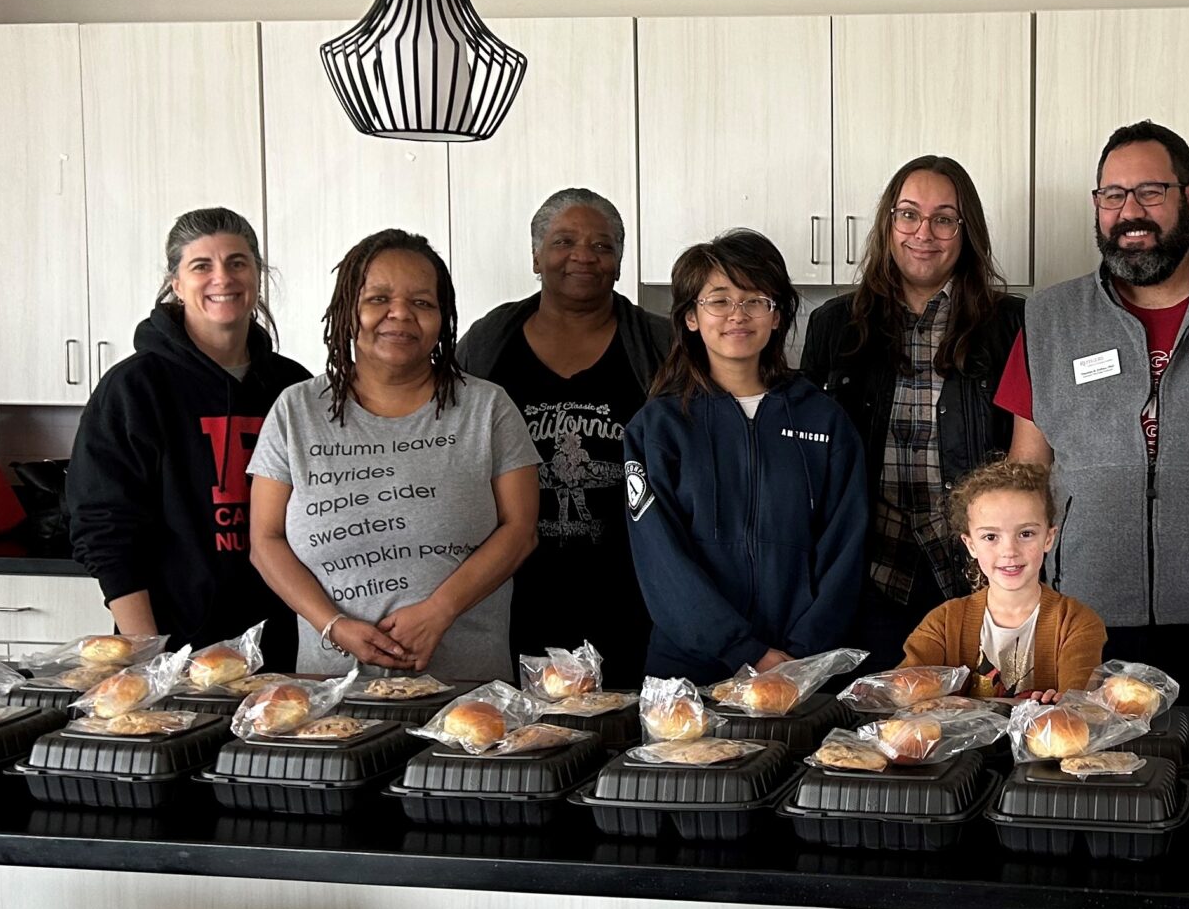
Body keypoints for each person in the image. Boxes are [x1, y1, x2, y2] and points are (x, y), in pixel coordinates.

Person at [999, 120, 1189, 705]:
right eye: (1112, 196)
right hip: (1083, 607)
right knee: (1090, 777)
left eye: (1150, 192)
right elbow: (1027, 466)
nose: (1129, 211)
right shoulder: (1051, 317)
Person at [249, 229, 540, 680]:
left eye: (422, 303)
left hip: (465, 691)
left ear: (442, 318)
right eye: (378, 298)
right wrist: (334, 626)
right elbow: (265, 543)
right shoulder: (295, 411)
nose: (399, 314)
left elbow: (520, 531)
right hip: (332, 690)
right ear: (348, 310)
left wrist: (438, 612)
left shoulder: (488, 408)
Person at [801, 156, 1025, 667]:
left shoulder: (1010, 324)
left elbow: (1029, 453)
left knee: (979, 724)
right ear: (888, 224)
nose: (924, 232)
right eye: (908, 215)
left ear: (966, 232)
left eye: (944, 218)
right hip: (871, 566)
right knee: (879, 726)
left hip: (977, 567)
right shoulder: (835, 324)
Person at [66, 207, 313, 667]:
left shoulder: (292, 387)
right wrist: (151, 658)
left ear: (258, 275)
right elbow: (104, 531)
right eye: (202, 266)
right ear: (176, 284)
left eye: (237, 262)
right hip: (173, 649)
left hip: (284, 646)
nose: (223, 277)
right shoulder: (134, 388)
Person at [623, 229, 867, 683]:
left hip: (802, 671)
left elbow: (845, 549)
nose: (737, 315)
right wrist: (741, 649)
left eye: (755, 299)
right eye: (719, 300)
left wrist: (799, 656)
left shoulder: (825, 421)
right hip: (690, 671)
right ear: (692, 317)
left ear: (776, 316)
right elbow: (661, 560)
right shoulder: (658, 428)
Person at [459, 188, 669, 685]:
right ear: (536, 255)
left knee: (627, 736)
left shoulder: (660, 343)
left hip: (632, 590)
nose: (583, 256)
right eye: (564, 241)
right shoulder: (490, 342)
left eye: (602, 246)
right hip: (514, 590)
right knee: (523, 743)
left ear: (619, 262)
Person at [901, 459, 1107, 699]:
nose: (1010, 551)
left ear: (1049, 538)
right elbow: (904, 690)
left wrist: (1069, 706)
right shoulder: (944, 622)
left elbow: (1077, 703)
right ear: (970, 545)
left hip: (1039, 738)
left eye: (1026, 533)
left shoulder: (1077, 623)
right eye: (990, 537)